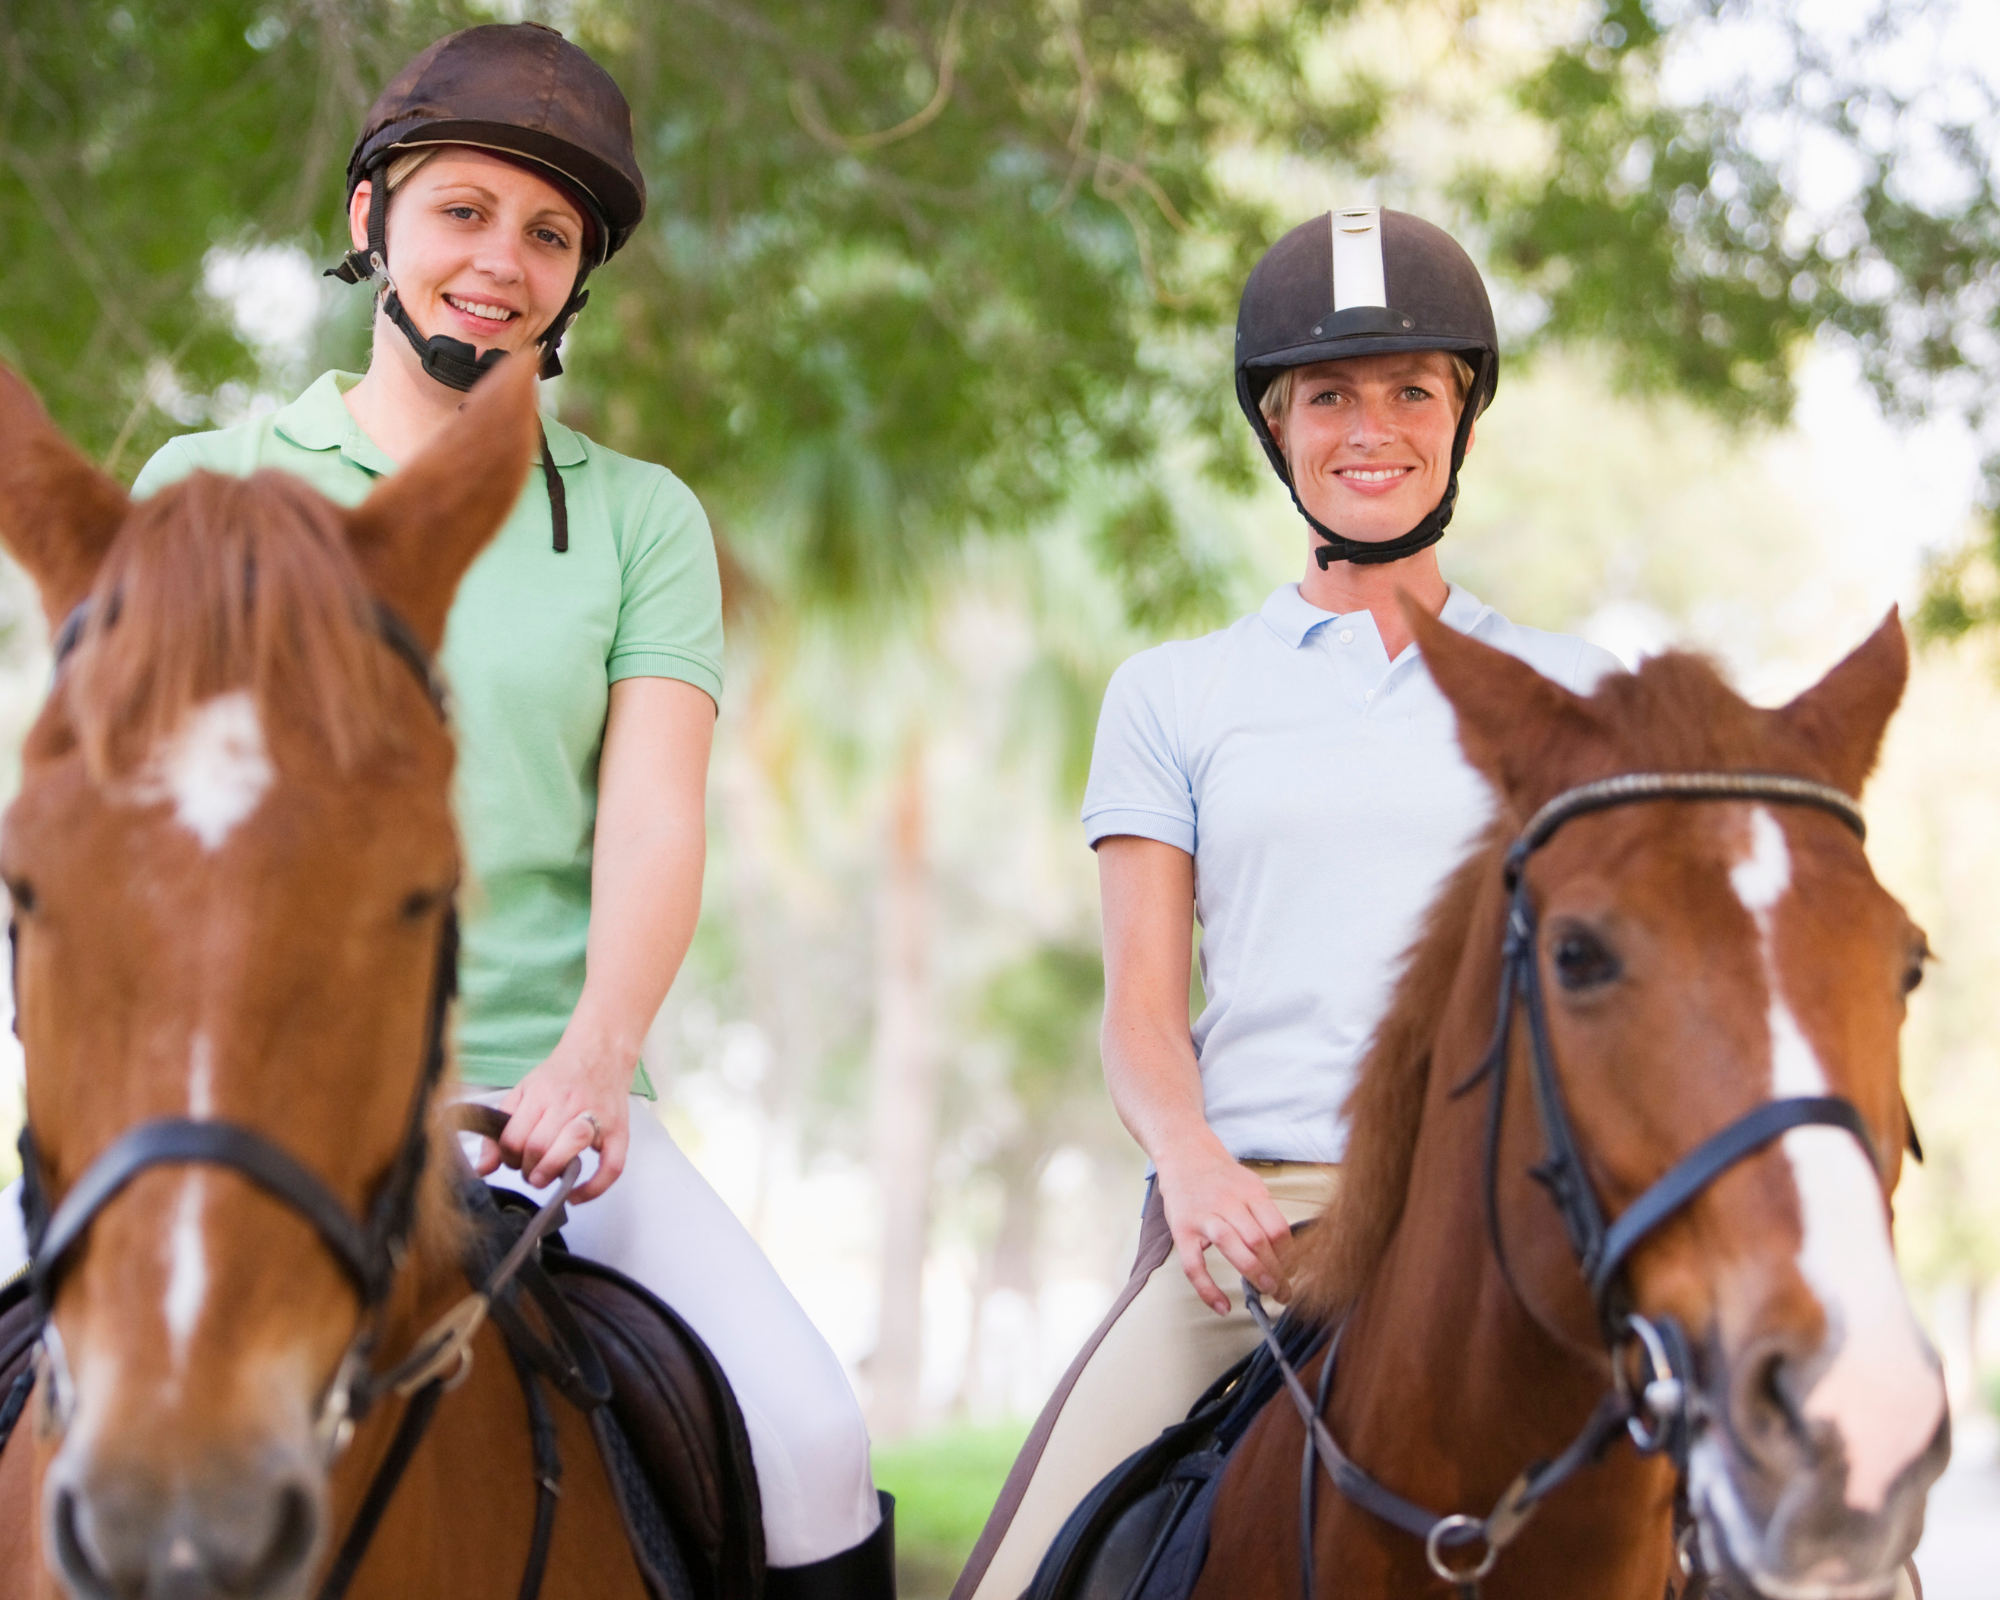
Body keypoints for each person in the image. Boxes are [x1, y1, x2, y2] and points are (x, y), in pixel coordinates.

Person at [122, 24, 891, 1596]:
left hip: (543, 1125)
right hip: (232, 1110)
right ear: (371, 223)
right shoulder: (214, 481)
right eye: (464, 211)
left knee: (815, 1448)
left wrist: (598, 1060)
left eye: (551, 234)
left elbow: (655, 818)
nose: (504, 260)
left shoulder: (636, 520)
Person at [951, 208, 1624, 1600]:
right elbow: (1141, 1012)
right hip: (1255, 1227)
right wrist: (1193, 1167)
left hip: (1504, 1232)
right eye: (1329, 395)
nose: (1368, 427)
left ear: (1463, 424)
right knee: (1017, 1572)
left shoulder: (1571, 689)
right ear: (1278, 427)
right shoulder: (1175, 694)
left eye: (1410, 391)